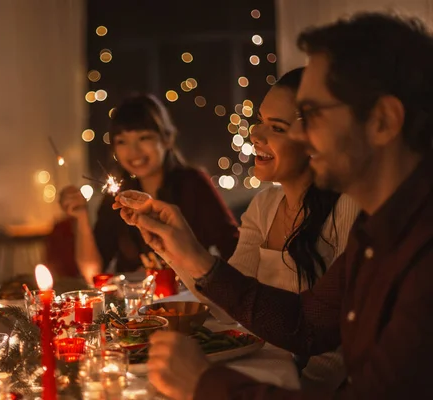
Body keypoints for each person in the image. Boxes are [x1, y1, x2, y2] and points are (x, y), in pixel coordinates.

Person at [116, 12, 433, 399]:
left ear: (382, 121)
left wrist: (205, 384)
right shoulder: (378, 227)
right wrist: (192, 256)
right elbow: (305, 325)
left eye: (312, 114)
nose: (298, 134)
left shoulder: (421, 248)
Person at [120, 68, 360, 390]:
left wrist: (300, 386)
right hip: (268, 371)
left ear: (317, 141)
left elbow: (336, 340)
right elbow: (225, 307)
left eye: (276, 127)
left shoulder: (349, 208)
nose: (256, 135)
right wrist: (171, 247)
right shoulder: (264, 206)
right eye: (259, 120)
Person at [59, 94, 239, 283]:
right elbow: (93, 272)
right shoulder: (118, 197)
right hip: (137, 306)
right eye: (122, 141)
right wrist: (81, 217)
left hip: (189, 302)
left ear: (167, 139)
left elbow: (233, 248)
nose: (133, 151)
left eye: (144, 137)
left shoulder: (193, 183)